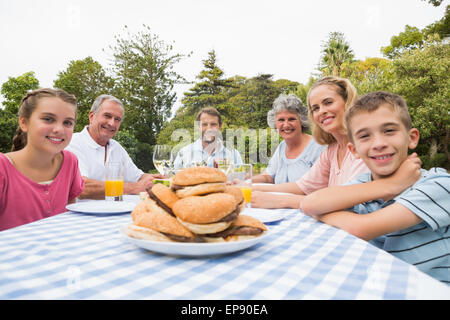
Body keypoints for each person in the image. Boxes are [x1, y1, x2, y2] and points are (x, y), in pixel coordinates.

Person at [301, 91, 449, 284]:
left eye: (389, 131)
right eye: (364, 136)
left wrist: (321, 213)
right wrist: (390, 186)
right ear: (354, 150)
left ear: (412, 138)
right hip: (383, 284)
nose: (379, 144)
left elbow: (360, 229)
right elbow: (310, 203)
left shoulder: (438, 183)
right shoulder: (366, 183)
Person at [251, 76, 369, 209]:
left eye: (328, 102)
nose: (322, 111)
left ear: (347, 102)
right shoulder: (332, 150)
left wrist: (281, 200)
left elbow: (348, 204)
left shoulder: (365, 145)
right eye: (316, 108)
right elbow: (301, 186)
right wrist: (247, 187)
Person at [0, 88, 84, 231]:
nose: (59, 129)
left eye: (68, 123)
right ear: (24, 123)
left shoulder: (70, 162)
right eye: (48, 119)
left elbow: (70, 214)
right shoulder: (3, 168)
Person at [65, 94, 162, 200]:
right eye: (107, 116)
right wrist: (133, 188)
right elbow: (81, 187)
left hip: (116, 213)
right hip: (81, 215)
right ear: (92, 117)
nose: (112, 123)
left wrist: (161, 179)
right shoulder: (73, 143)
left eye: (117, 119)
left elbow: (138, 177)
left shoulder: (116, 147)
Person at [252, 94, 325, 184]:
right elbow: (269, 177)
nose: (286, 125)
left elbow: (315, 188)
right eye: (281, 120)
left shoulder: (318, 147)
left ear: (302, 121)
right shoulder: (282, 147)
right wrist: (246, 180)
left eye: (291, 119)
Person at [173, 107, 243, 169]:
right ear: (198, 126)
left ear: (220, 126)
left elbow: (241, 179)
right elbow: (173, 178)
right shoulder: (184, 153)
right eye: (204, 124)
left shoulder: (234, 154)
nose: (209, 129)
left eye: (213, 124)